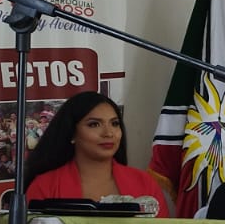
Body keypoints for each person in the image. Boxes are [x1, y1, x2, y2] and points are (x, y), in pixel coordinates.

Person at [23, 91, 168, 215]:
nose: (108, 133)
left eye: (115, 123)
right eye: (94, 124)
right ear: (72, 133)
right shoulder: (45, 187)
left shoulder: (144, 183)